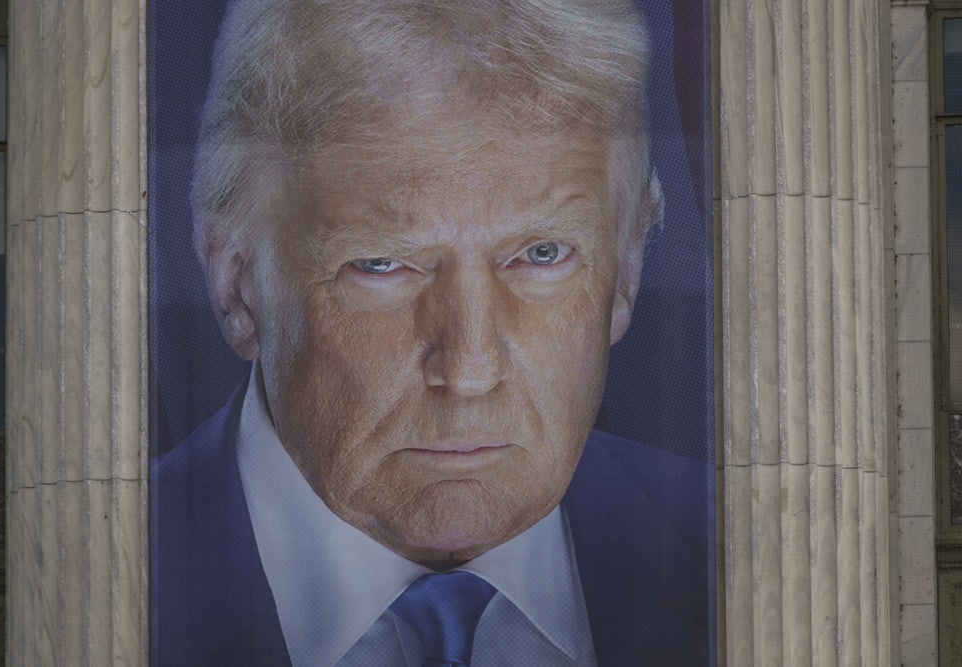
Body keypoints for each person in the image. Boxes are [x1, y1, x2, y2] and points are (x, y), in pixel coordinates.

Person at [150, 0, 711, 665]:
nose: (470, 368)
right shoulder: (104, 571)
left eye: (541, 255)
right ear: (237, 284)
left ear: (628, 266)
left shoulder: (742, 544)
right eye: (382, 264)